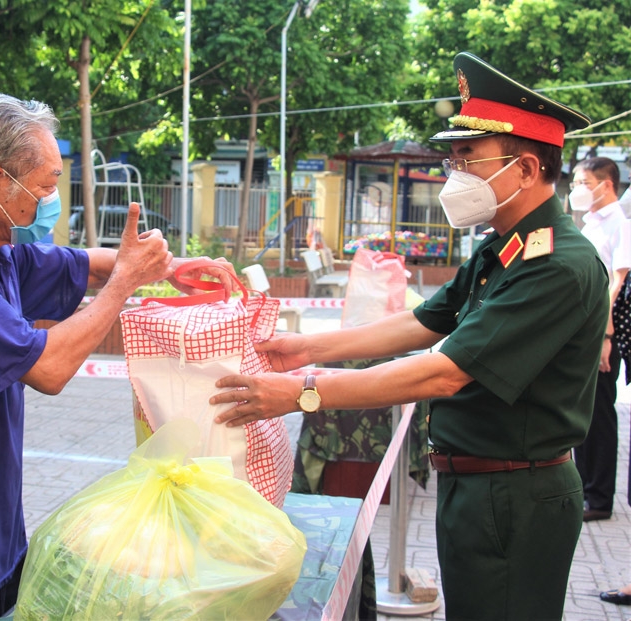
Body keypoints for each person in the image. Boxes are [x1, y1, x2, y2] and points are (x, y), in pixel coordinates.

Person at [210, 52, 608, 620]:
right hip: (478, 484)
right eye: (453, 159)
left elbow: (443, 372)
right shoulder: (505, 247)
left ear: (524, 169)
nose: (456, 174)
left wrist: (302, 390)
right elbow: (426, 321)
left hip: (517, 493)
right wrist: (310, 348)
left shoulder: (555, 265)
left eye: (469, 160)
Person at [0, 91, 234, 619]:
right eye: (48, 183)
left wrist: (171, 268)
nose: (53, 197)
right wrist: (125, 282)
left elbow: (84, 264)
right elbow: (48, 368)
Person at [568, 157, 630, 522]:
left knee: (600, 415)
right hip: (584, 331)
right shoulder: (590, 224)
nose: (577, 188)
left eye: (582, 181)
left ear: (605, 185)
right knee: (582, 412)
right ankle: (583, 487)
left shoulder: (619, 225)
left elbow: (614, 282)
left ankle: (600, 498)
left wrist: (606, 334)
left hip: (602, 333)